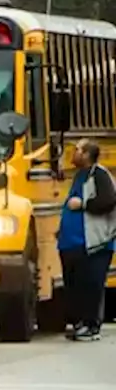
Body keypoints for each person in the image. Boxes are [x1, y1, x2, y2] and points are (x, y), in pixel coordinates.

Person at [58, 138, 116, 341]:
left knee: (92, 285)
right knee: (75, 285)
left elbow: (108, 201)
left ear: (86, 154)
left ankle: (92, 325)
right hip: (72, 243)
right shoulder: (78, 176)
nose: (73, 153)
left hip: (95, 243)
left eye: (77, 150)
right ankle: (79, 323)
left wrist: (83, 204)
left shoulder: (99, 175)